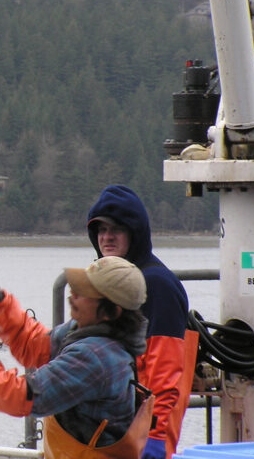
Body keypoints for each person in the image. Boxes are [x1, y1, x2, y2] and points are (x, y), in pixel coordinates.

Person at [0, 256, 154, 458]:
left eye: (86, 293)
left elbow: (17, 396)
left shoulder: (97, 358)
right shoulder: (86, 328)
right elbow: (35, 346)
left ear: (112, 312)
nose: (74, 293)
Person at [87, 185, 197, 459]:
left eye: (116, 229)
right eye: (101, 230)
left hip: (146, 432)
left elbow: (166, 370)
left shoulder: (156, 285)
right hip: (116, 426)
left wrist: (155, 437)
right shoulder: (114, 287)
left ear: (134, 233)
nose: (107, 237)